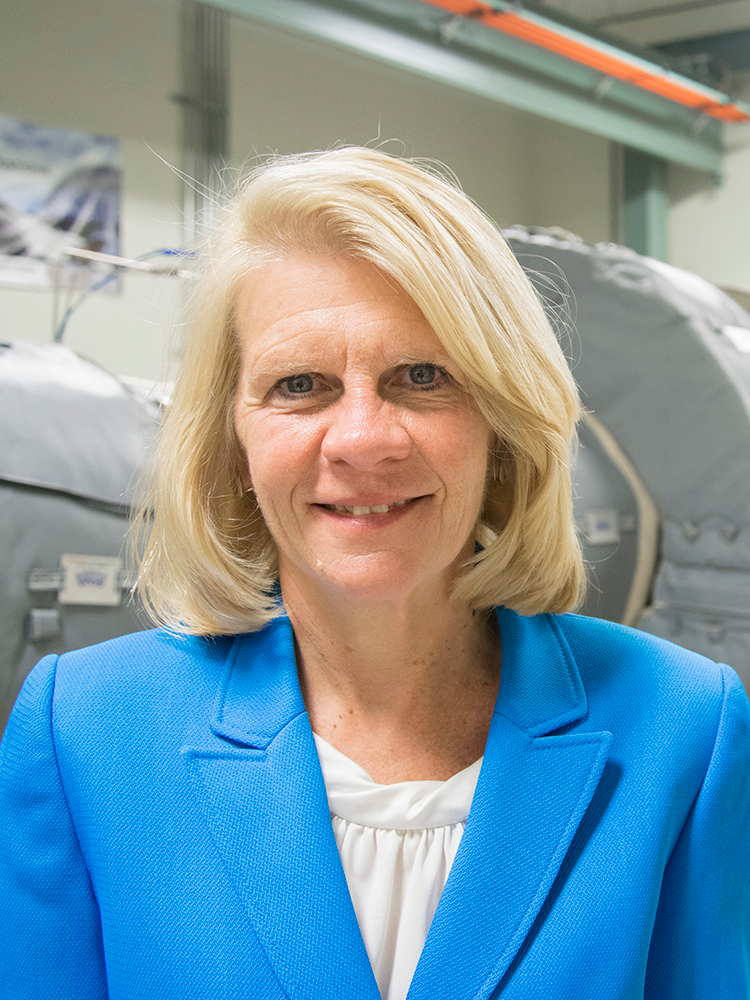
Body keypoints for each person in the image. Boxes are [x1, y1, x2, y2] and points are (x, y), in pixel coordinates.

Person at [1, 147, 748, 1000]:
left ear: (502, 421)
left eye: (423, 377)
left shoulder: (684, 727)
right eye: (300, 384)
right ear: (231, 442)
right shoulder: (85, 734)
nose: (364, 439)